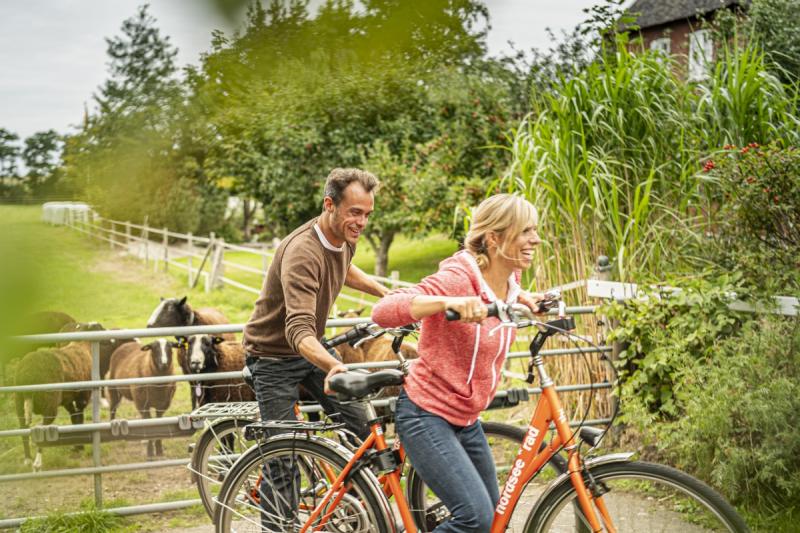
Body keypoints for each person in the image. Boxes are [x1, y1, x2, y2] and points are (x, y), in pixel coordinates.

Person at [371, 193, 544, 532]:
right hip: (427, 414)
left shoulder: (509, 277)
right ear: (494, 239)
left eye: (534, 230)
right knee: (475, 521)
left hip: (466, 418)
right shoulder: (457, 276)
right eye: (526, 231)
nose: (535, 239)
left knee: (493, 519)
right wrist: (446, 301)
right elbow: (383, 311)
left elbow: (499, 295)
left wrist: (524, 299)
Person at [242, 167, 389, 530]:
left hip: (313, 348)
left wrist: (388, 295)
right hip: (273, 355)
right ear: (329, 205)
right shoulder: (302, 252)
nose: (362, 222)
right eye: (355, 212)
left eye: (368, 214)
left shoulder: (344, 235)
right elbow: (297, 330)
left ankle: (354, 512)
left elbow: (344, 267)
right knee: (283, 456)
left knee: (363, 429)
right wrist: (333, 365)